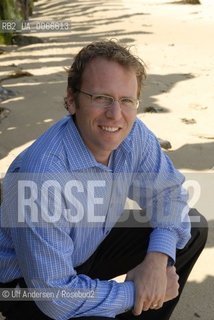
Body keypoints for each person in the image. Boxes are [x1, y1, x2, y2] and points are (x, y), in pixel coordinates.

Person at [0, 40, 208, 320]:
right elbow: (56, 296)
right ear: (72, 100)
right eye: (101, 98)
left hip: (85, 249)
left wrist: (157, 263)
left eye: (126, 100)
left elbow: (168, 194)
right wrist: (136, 292)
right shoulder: (40, 176)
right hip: (30, 287)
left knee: (190, 226)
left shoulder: (132, 134)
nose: (115, 114)